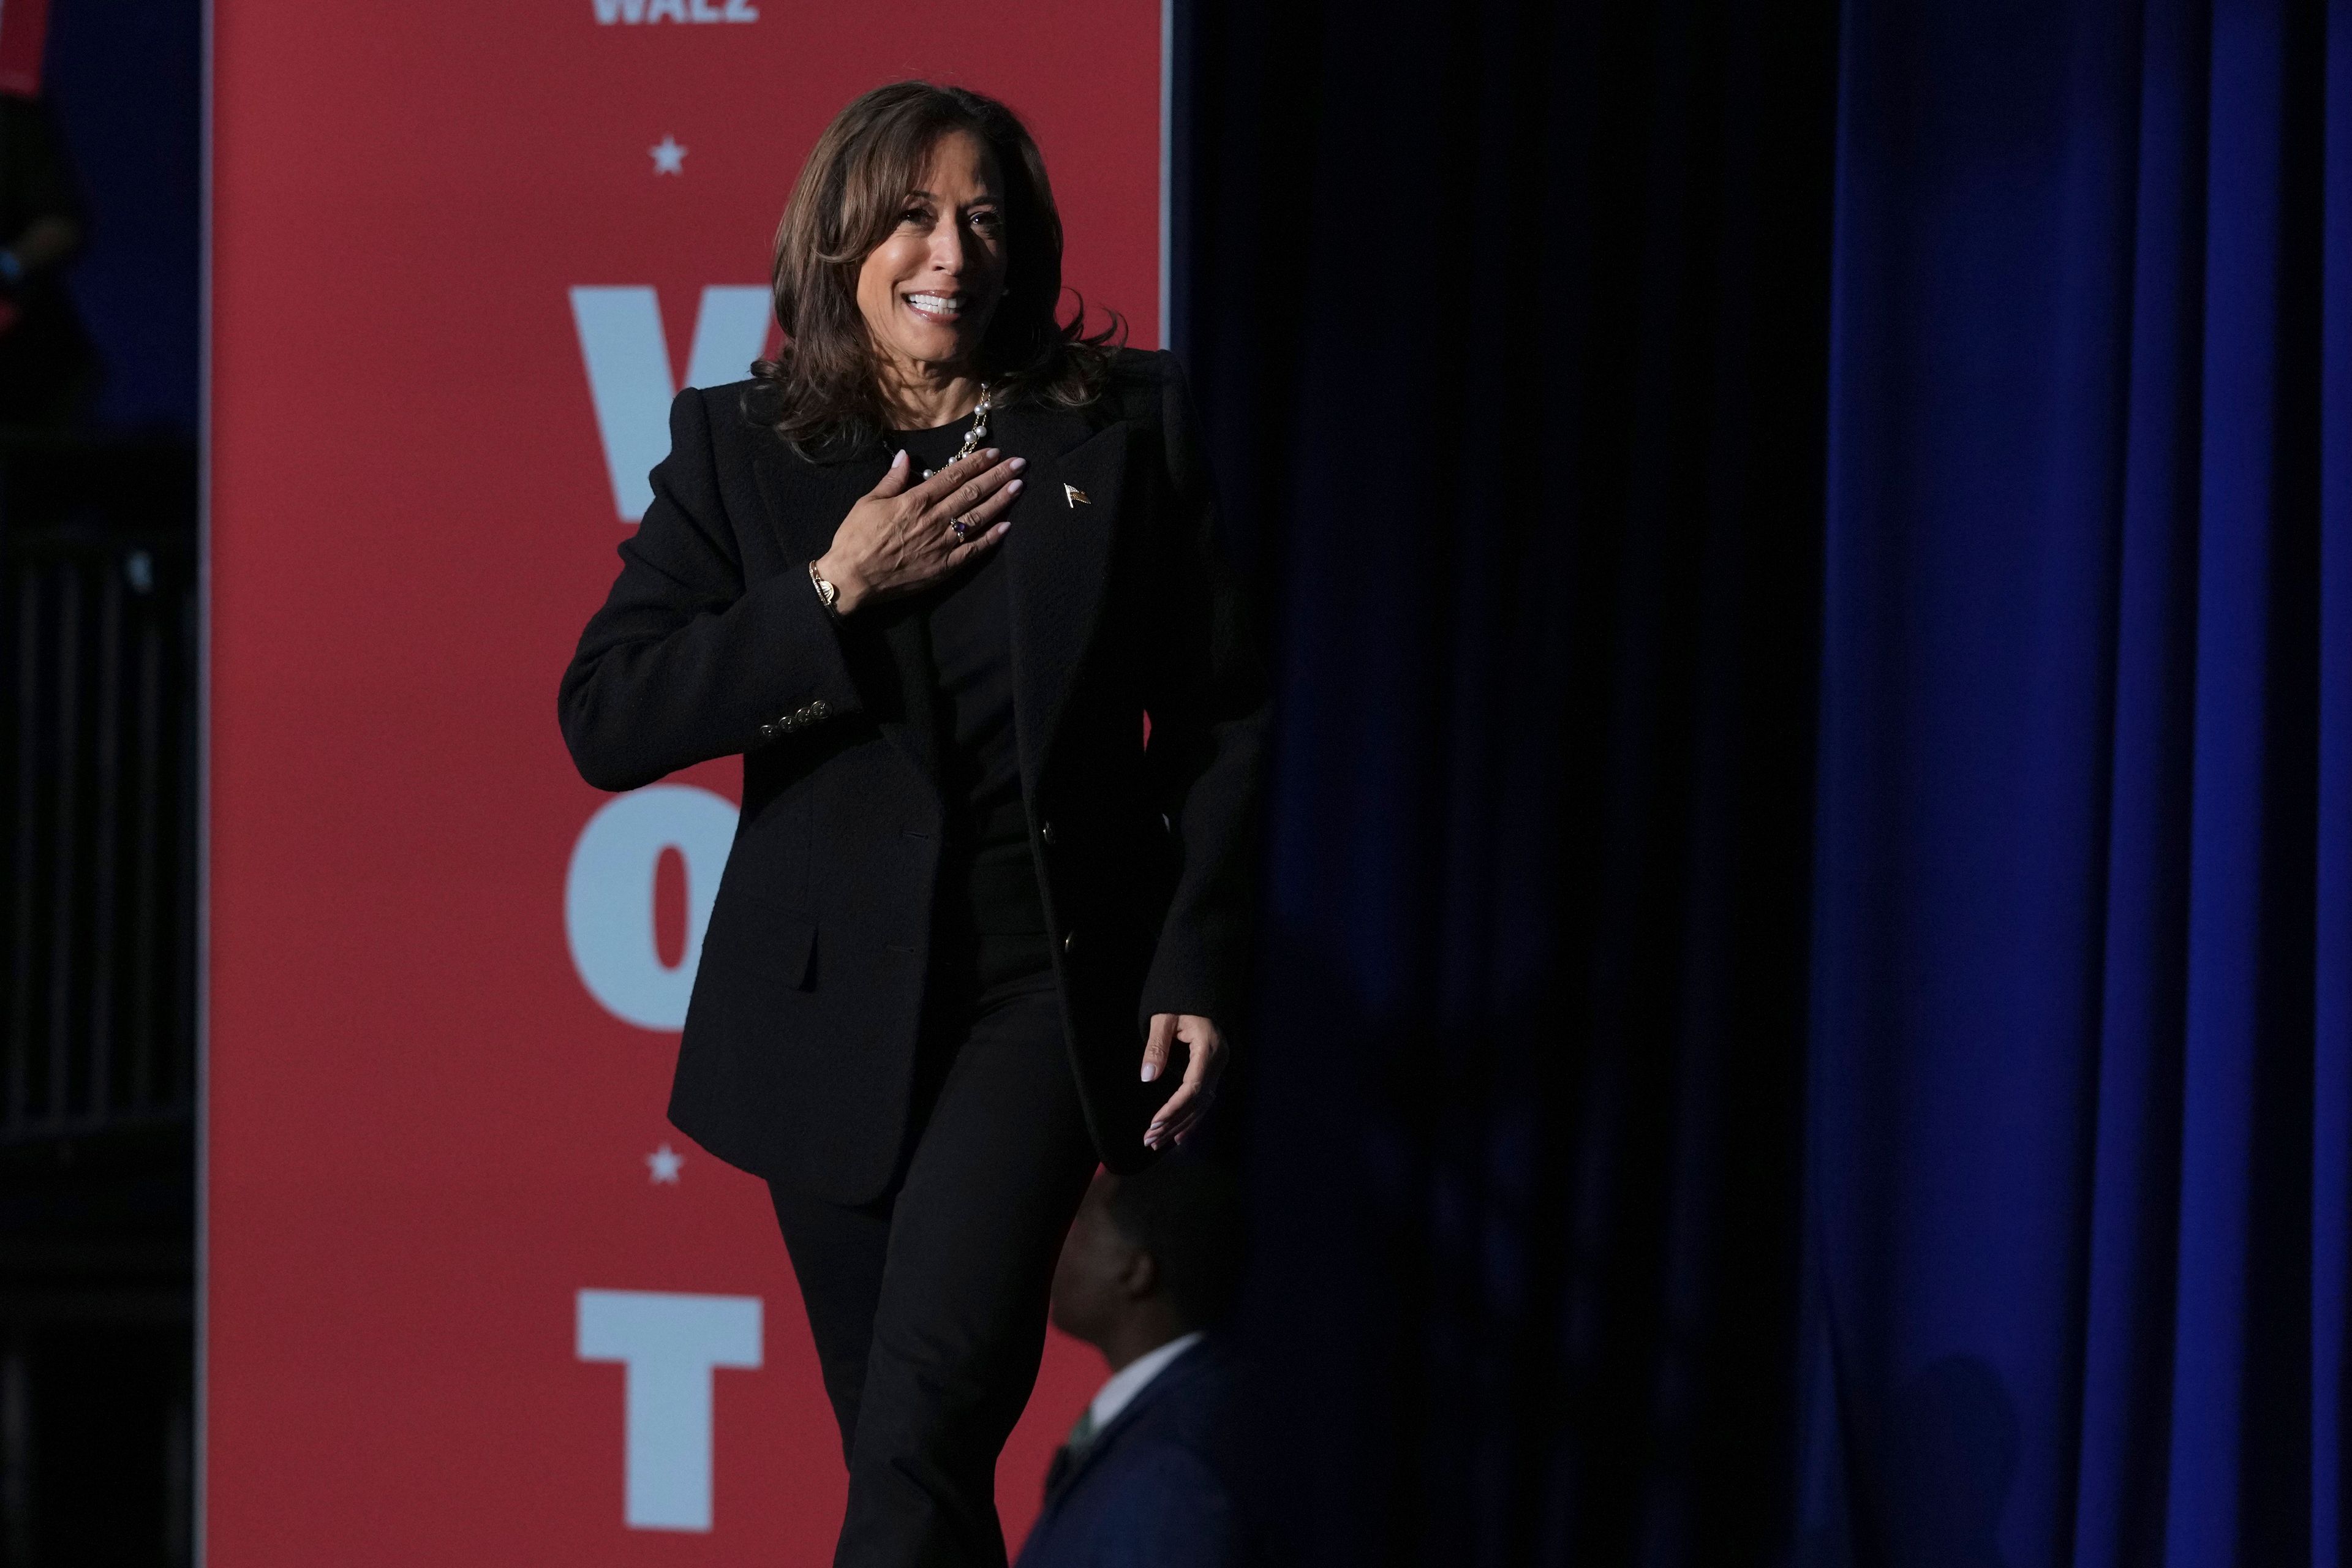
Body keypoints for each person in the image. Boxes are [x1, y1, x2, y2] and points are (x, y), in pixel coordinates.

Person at [559, 81, 1267, 1568]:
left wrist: (1193, 958)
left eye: (983, 218)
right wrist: (831, 589)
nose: (950, 250)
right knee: (896, 1440)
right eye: (912, 215)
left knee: (923, 1424)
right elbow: (607, 715)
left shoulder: (1120, 427)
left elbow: (1223, 713)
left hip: (1039, 991)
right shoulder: (737, 447)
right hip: (822, 1020)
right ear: (838, 242)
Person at [1017, 1160, 1250, 1568]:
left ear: (1137, 1270)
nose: (1057, 1250)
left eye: (1081, 1228)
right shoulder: (1176, 1429)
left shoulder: (1173, 1472)